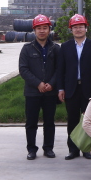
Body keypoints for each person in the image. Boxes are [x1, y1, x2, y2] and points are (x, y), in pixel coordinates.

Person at [56, 14, 91, 160]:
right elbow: (60, 70)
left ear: (86, 28)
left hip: (89, 89)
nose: (78, 29)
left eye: (81, 27)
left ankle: (87, 149)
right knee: (72, 119)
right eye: (75, 27)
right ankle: (73, 149)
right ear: (71, 29)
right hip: (71, 88)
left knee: (88, 120)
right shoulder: (65, 47)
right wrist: (60, 88)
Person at [18, 14, 60, 160]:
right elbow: (23, 69)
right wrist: (38, 83)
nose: (42, 31)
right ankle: (31, 149)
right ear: (34, 30)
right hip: (32, 93)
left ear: (49, 29)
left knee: (49, 122)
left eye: (45, 28)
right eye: (39, 28)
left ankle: (48, 148)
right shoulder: (27, 49)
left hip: (50, 92)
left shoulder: (55, 48)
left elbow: (59, 69)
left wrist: (52, 83)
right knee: (31, 123)